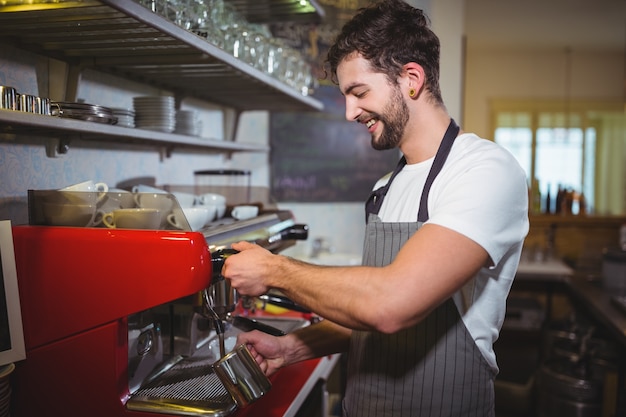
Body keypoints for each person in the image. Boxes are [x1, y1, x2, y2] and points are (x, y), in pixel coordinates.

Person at [222, 0, 529, 415]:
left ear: (412, 79)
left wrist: (275, 271)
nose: (349, 112)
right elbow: (363, 313)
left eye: (359, 92)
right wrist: (290, 347)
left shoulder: (483, 171)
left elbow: (390, 305)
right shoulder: (387, 186)